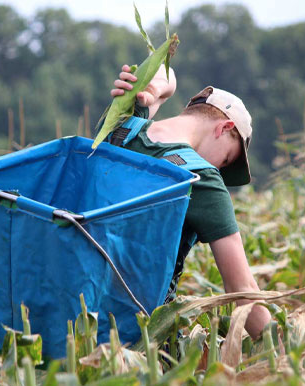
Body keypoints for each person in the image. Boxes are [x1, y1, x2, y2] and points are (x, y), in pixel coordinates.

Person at [109, 64, 271, 339]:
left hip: (79, 312)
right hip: (141, 334)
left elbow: (162, 67)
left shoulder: (121, 129)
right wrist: (287, 351)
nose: (219, 169)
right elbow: (242, 291)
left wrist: (154, 90)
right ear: (225, 127)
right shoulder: (201, 179)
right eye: (227, 160)